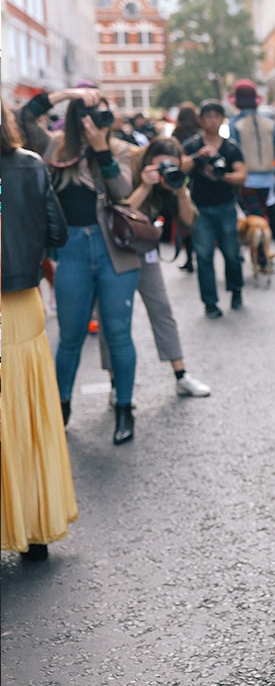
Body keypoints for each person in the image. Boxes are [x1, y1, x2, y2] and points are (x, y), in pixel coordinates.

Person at [43, 90, 145, 445]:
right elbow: (28, 116)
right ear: (75, 117)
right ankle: (61, 406)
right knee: (70, 336)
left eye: (103, 114)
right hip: (71, 248)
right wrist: (69, 94)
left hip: (112, 250)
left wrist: (101, 148)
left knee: (118, 333)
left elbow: (123, 193)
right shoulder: (56, 148)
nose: (99, 120)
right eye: (90, 114)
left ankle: (124, 408)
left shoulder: (116, 148)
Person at [1, 99, 78, 560]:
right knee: (28, 415)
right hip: (23, 304)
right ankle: (34, 528)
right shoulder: (29, 165)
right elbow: (57, 233)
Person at [98, 138, 212, 399]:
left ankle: (181, 375)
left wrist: (180, 189)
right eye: (159, 166)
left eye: (170, 166)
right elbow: (120, 211)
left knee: (161, 308)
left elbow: (189, 220)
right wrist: (145, 186)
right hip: (116, 251)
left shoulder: (173, 179)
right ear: (148, 160)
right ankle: (115, 385)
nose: (164, 171)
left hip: (145, 250)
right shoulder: (129, 169)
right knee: (112, 318)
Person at [182, 100, 248, 318]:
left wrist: (223, 176)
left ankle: (236, 290)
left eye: (216, 116)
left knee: (232, 253)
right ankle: (210, 303)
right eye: (208, 116)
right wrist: (197, 157)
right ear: (201, 120)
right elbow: (180, 168)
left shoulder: (230, 147)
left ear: (221, 119)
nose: (212, 120)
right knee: (203, 255)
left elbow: (241, 176)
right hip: (201, 208)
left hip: (226, 206)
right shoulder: (192, 145)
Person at [229, 79, 275, 259]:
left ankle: (260, 254)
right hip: (268, 178)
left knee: (254, 218)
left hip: (246, 178)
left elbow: (233, 152)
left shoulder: (235, 123)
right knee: (270, 215)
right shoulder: (268, 122)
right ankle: (274, 248)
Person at [172, 102, 203, 272]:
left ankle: (189, 257)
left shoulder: (177, 133)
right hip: (198, 179)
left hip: (182, 179)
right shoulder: (200, 133)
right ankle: (200, 253)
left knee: (185, 219)